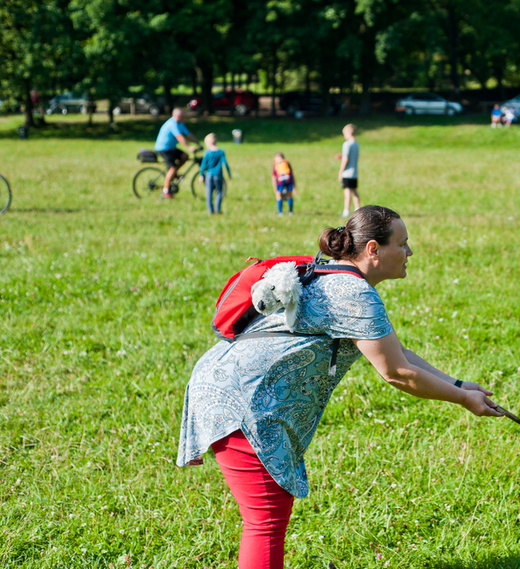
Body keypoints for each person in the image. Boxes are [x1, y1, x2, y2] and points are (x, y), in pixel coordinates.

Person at [177, 205, 502, 569]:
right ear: (373, 250)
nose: (410, 253)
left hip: (231, 390)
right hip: (241, 403)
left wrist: (458, 384)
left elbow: (396, 352)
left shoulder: (339, 277)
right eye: (404, 244)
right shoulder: (354, 294)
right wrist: (462, 399)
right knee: (266, 519)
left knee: (268, 518)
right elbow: (397, 372)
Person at [154, 108, 199, 199]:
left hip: (171, 148)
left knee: (185, 156)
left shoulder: (180, 123)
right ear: (176, 116)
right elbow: (180, 137)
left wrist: (197, 143)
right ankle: (165, 191)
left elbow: (188, 134)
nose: (184, 118)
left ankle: (174, 174)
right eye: (182, 116)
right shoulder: (172, 124)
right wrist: (189, 147)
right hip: (163, 149)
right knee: (172, 168)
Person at [198, 133, 231, 214]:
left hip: (209, 176)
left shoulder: (207, 153)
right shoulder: (221, 152)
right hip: (218, 175)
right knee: (219, 192)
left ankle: (210, 211)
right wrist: (229, 174)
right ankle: (217, 209)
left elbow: (203, 165)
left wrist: (201, 175)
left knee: (208, 193)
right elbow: (225, 164)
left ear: (208, 143)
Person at [338, 123, 360, 218]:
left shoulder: (346, 144)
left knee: (347, 192)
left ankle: (346, 211)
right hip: (354, 172)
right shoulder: (356, 144)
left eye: (344, 133)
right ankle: (358, 209)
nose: (344, 135)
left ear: (349, 132)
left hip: (347, 172)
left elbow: (346, 159)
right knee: (354, 191)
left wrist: (340, 172)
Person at [271, 152, 297, 216]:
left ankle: (280, 213)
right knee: (289, 195)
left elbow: (273, 177)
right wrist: (294, 187)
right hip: (288, 180)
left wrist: (275, 189)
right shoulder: (287, 163)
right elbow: (292, 174)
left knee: (279, 195)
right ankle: (290, 212)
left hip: (280, 182)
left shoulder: (275, 165)